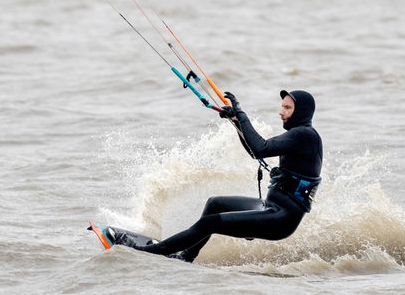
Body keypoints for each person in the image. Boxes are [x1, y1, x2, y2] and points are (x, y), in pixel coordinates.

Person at [114, 89, 323, 262]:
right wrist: (236, 121)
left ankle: (152, 253)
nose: (281, 112)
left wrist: (241, 115)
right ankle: (187, 256)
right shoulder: (299, 135)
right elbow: (254, 151)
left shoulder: (304, 135)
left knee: (210, 223)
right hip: (270, 207)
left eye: (287, 108)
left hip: (280, 218)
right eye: (282, 106)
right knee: (215, 204)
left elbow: (261, 148)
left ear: (301, 111)